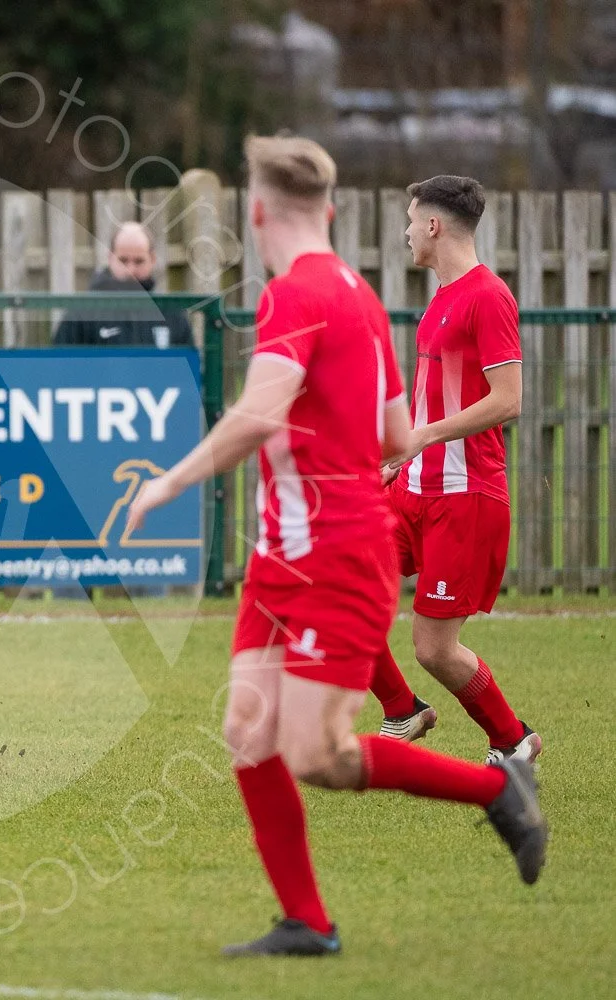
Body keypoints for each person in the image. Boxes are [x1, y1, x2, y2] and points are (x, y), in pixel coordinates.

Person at [126, 137, 547, 957]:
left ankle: (496, 789)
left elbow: (257, 413)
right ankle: (306, 923)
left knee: (320, 755)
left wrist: (168, 483)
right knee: (249, 731)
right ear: (327, 209)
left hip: (330, 552)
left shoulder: (299, 294)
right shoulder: (357, 293)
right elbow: (394, 431)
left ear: (256, 211)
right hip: (281, 556)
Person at [368, 175, 540, 764]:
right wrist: (400, 461)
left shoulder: (488, 296)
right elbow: (431, 401)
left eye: (412, 220)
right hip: (413, 490)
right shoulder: (441, 298)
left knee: (435, 649)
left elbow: (508, 398)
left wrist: (422, 438)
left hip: (464, 497)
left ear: (434, 226)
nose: (407, 232)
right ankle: (401, 710)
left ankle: (513, 742)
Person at [51, 222, 193, 348]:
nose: (130, 270)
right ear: (110, 258)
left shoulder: (172, 313)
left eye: (139, 261)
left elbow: (189, 372)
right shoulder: (81, 313)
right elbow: (61, 370)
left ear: (153, 259)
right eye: (123, 261)